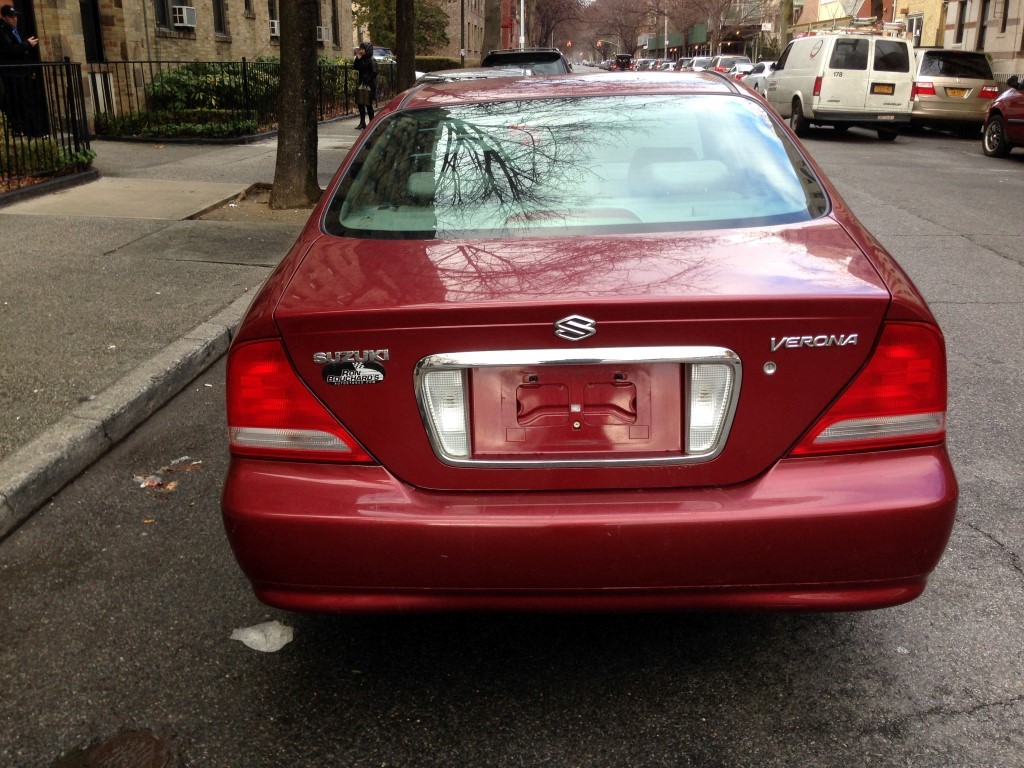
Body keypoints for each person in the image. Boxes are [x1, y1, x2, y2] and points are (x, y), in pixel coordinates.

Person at [0, 3, 43, 136]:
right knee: (18, 103)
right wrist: (26, 44)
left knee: (26, 101)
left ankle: (31, 131)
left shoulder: (15, 30)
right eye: (11, 16)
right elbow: (11, 50)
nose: (14, 19)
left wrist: (30, 70)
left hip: (22, 73)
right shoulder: (2, 31)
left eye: (15, 16)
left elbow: (22, 54)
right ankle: (27, 131)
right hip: (11, 74)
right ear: (4, 17)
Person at [352, 41, 377, 130]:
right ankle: (362, 122)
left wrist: (367, 80)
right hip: (361, 84)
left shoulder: (371, 60)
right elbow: (355, 67)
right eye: (360, 49)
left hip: (369, 85)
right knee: (360, 104)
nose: (361, 51)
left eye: (363, 49)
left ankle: (372, 122)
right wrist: (357, 58)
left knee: (368, 105)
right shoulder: (362, 59)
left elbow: (374, 72)